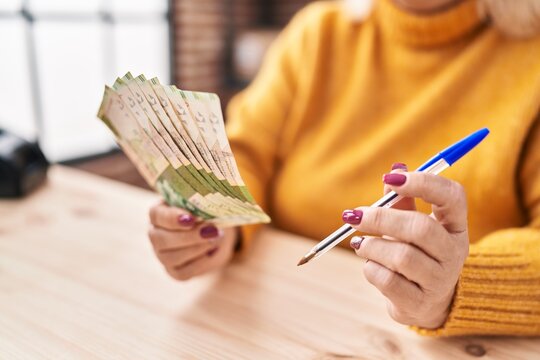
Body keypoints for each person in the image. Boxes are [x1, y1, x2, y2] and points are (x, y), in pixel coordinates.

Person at [147, 0, 540, 336]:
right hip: (273, 318)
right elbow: (247, 151)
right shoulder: (317, 34)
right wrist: (221, 217)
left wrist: (459, 285)